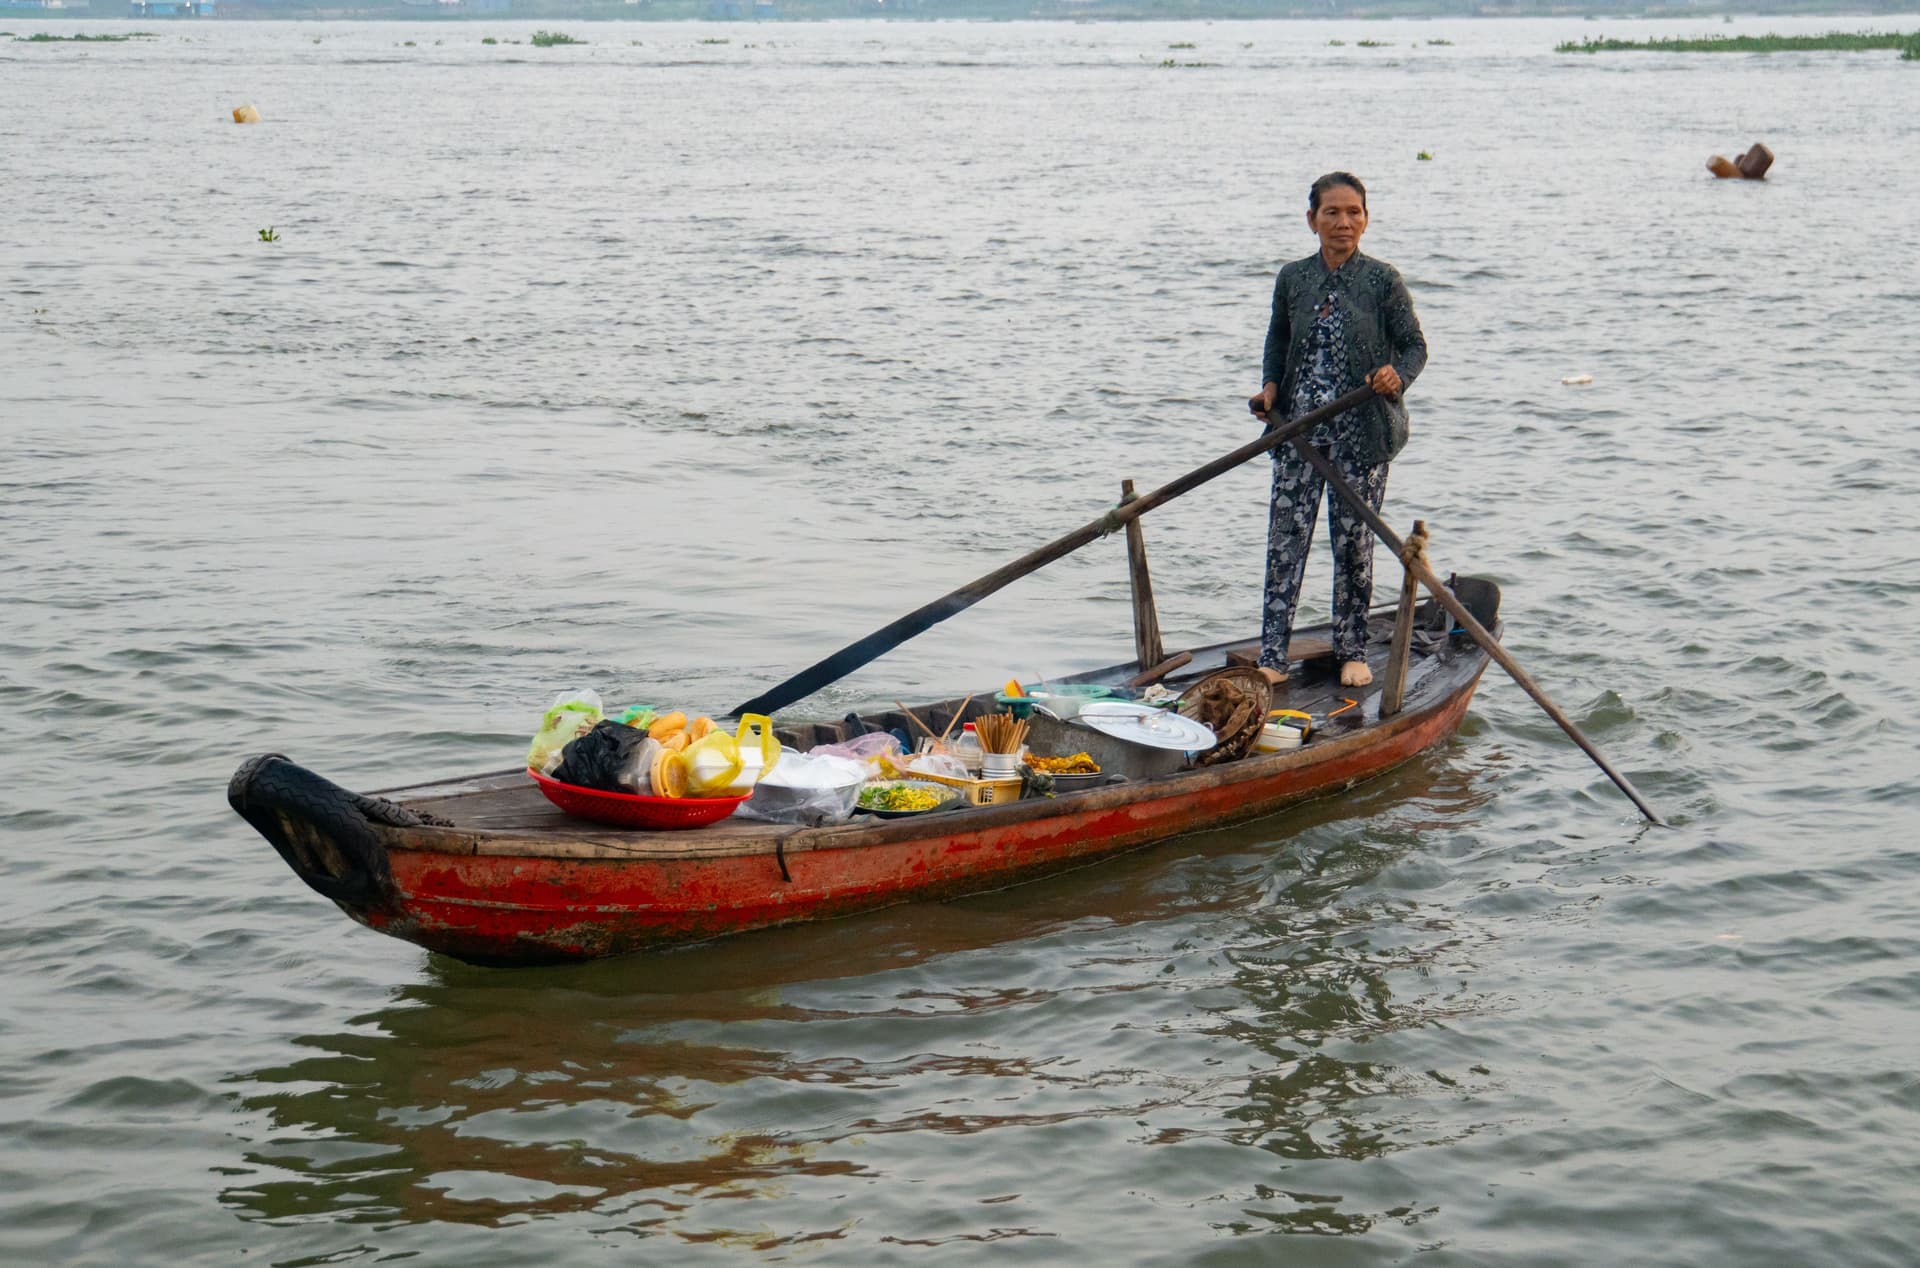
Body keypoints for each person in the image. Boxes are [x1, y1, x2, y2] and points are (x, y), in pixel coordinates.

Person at [1250, 171, 1427, 689]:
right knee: (1286, 541)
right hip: (1299, 434)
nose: (1343, 223)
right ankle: (1273, 656)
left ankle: (1352, 650)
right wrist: (1269, 388)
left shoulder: (1382, 280)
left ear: (1366, 220)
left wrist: (1397, 379)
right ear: (1312, 220)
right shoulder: (1293, 278)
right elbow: (1277, 341)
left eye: (1353, 213)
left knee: (1354, 546)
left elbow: (1415, 346)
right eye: (1332, 212)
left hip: (1362, 435)